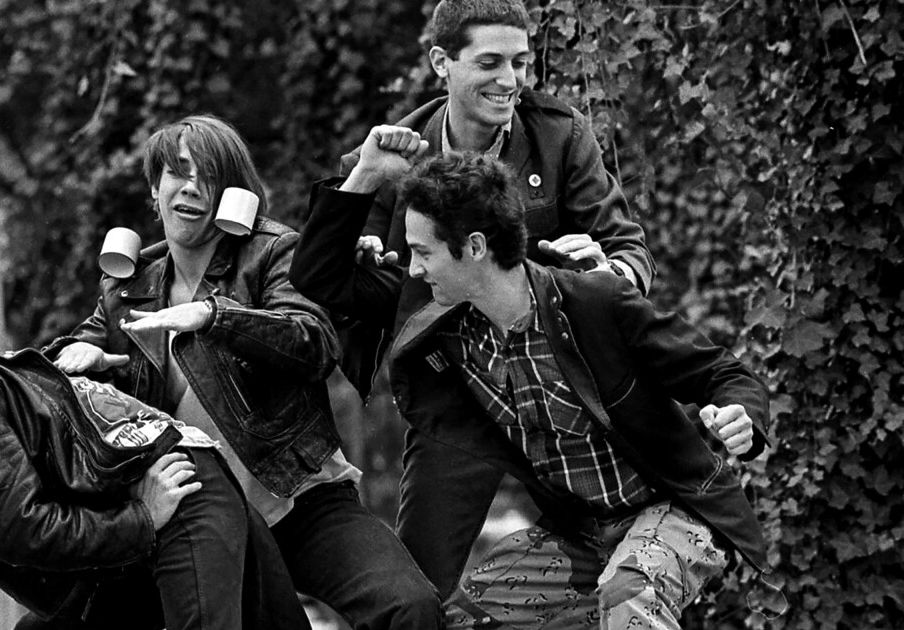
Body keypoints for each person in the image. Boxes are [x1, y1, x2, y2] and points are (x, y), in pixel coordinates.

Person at [0, 220, 311, 630]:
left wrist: (88, 371)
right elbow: (25, 530)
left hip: (191, 494)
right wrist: (142, 518)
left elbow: (62, 454)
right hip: (175, 507)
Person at [50, 114, 442, 630]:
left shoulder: (273, 252)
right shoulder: (127, 287)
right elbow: (77, 350)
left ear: (233, 196)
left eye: (209, 176)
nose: (191, 187)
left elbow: (313, 340)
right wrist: (78, 354)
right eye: (178, 172)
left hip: (296, 497)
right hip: (202, 517)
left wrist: (215, 316)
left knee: (409, 607)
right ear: (154, 191)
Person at [368, 149, 772, 628]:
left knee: (628, 591)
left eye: (423, 252)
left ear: (475, 247)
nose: (414, 270)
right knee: (464, 623)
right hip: (581, 533)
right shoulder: (446, 342)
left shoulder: (594, 303)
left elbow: (722, 372)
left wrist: (740, 414)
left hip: (673, 508)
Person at [292, 0, 655, 397]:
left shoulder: (559, 136)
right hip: (442, 389)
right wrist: (364, 179)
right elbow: (323, 280)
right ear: (441, 62)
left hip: (558, 372)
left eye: (519, 63)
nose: (509, 81)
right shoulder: (385, 159)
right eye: (489, 63)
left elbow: (627, 247)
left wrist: (608, 276)